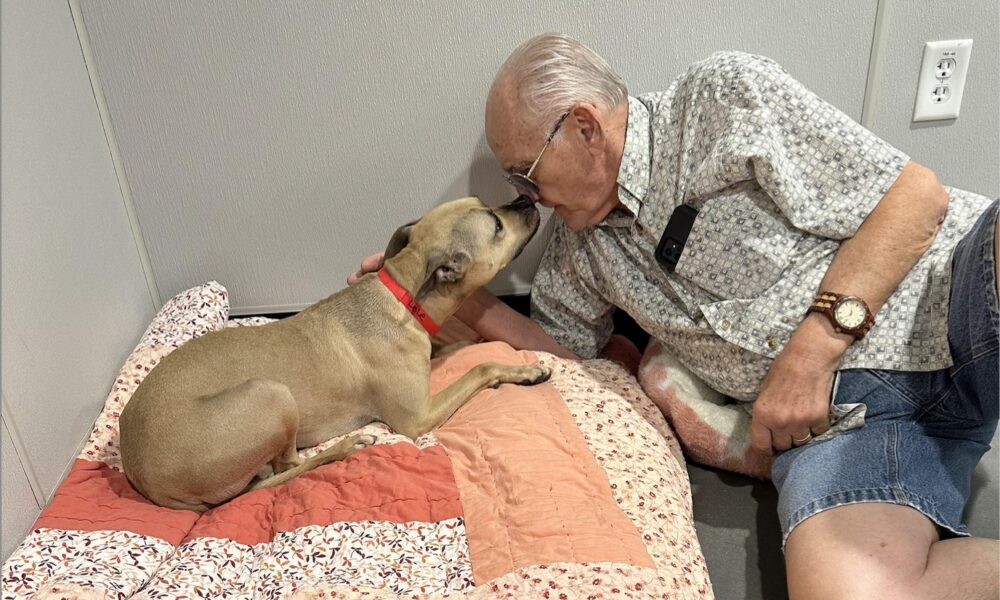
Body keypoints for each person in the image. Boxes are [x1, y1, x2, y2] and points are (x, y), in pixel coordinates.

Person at [350, 33, 999, 598]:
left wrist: (809, 354)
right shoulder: (578, 254)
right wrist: (454, 298)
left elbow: (917, 199)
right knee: (846, 589)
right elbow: (562, 361)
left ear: (583, 126)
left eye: (527, 176)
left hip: (942, 295)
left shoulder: (719, 100)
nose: (530, 200)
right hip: (848, 424)